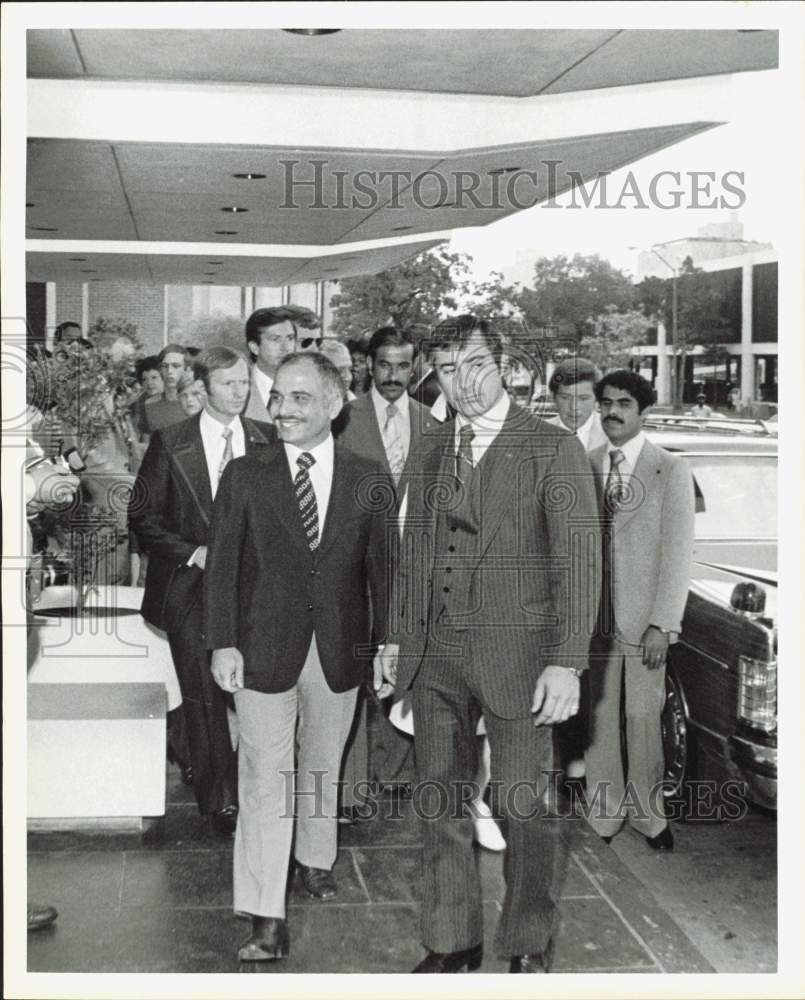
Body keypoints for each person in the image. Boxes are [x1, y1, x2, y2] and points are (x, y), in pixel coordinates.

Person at [376, 314, 600, 973]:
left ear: (499, 364)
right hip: (435, 653)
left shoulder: (549, 448)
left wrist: (566, 663)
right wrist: (394, 639)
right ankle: (452, 941)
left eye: (474, 365)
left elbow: (579, 563)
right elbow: (413, 555)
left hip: (521, 658)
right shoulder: (429, 447)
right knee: (438, 801)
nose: (464, 383)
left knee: (522, 804)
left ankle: (526, 941)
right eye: (447, 370)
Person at [204, 352, 390, 963]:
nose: (282, 410)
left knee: (320, 767)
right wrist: (221, 641)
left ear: (334, 405)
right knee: (263, 777)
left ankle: (314, 858)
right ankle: (265, 914)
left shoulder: (370, 476)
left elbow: (384, 572)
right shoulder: (246, 474)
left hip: (339, 647)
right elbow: (223, 566)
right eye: (277, 397)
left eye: (300, 398)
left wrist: (387, 642)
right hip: (260, 647)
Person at [129, 346, 275, 835]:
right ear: (202, 386)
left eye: (245, 384)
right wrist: (195, 552)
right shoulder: (170, 442)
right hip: (190, 588)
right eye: (229, 383)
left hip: (253, 593)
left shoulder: (267, 440)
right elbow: (143, 518)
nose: (240, 392)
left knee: (254, 691)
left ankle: (260, 789)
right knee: (202, 694)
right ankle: (221, 801)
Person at [584, 370, 694, 852]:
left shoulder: (669, 468)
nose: (612, 412)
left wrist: (662, 624)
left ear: (642, 410)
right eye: (606, 402)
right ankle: (603, 814)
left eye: (624, 403)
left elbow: (678, 553)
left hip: (644, 621)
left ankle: (651, 818)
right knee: (600, 719)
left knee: (644, 720)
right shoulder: (585, 463)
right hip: (594, 621)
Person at [336, 326, 436, 796]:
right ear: (368, 366)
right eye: (383, 365)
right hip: (353, 571)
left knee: (408, 666)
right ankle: (352, 783)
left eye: (402, 366)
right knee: (354, 671)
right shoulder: (342, 420)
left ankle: (396, 774)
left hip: (414, 572)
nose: (393, 375)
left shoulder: (435, 424)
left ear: (414, 367)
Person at [242, 306, 297, 421]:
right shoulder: (238, 387)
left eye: (290, 338)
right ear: (254, 347)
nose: (286, 348)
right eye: (275, 339)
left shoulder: (307, 388)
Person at [547, 358, 609, 452]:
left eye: (583, 398)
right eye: (565, 397)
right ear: (553, 397)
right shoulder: (534, 436)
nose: (574, 407)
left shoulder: (616, 435)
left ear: (597, 399)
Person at [143, 344, 190, 432]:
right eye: (165, 366)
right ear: (160, 370)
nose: (169, 371)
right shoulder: (150, 404)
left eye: (176, 366)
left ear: (186, 369)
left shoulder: (195, 403)